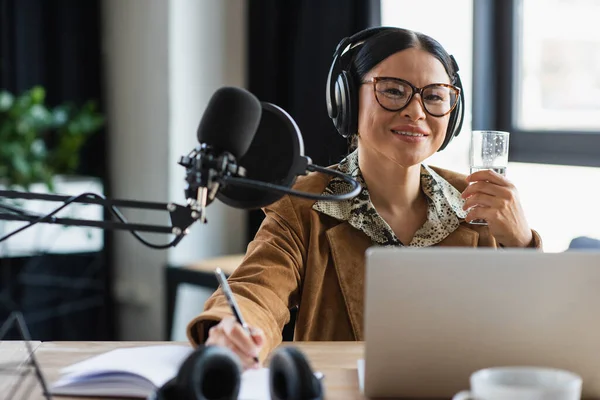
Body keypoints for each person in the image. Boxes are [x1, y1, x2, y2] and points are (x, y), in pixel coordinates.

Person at [186, 27, 542, 370]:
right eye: (393, 90)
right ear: (347, 100)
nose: (416, 111)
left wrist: (522, 243)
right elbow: (256, 290)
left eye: (434, 96)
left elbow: (532, 331)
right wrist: (234, 328)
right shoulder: (301, 205)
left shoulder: (479, 203)